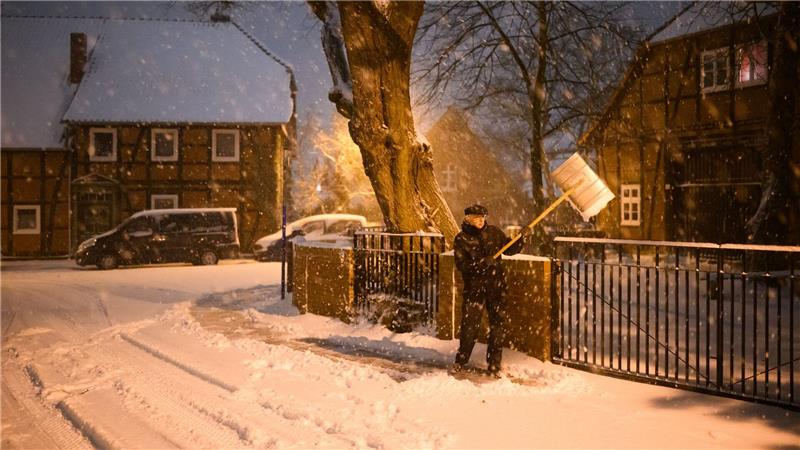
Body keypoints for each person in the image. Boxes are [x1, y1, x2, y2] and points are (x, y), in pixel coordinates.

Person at [453, 204, 527, 376]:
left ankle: (494, 364)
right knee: (470, 327)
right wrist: (481, 264)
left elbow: (510, 250)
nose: (480, 220)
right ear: (468, 219)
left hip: (496, 287)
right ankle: (461, 360)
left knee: (497, 326)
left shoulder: (494, 232)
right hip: (474, 290)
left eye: (482, 217)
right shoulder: (462, 239)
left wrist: (522, 238)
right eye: (476, 218)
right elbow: (461, 265)